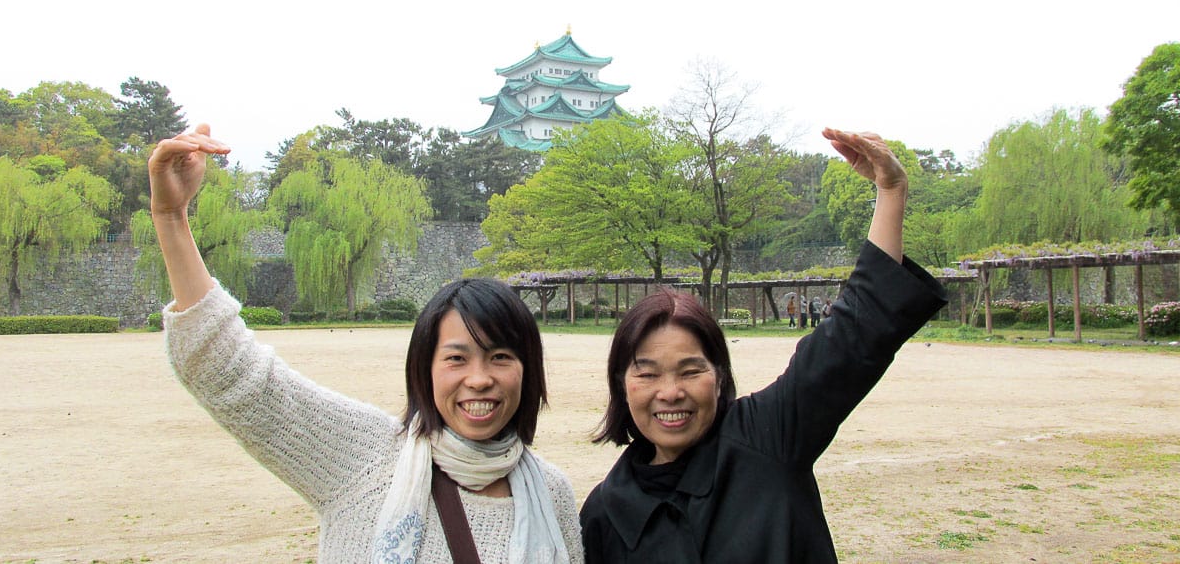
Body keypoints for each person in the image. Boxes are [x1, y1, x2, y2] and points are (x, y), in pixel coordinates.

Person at [149, 125, 582, 562]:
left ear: (528, 371)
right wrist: (171, 217)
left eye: (501, 357)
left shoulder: (551, 493)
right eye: (456, 358)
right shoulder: (362, 455)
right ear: (424, 369)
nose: (479, 379)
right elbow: (233, 373)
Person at [579, 128, 947, 562]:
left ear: (719, 377)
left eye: (691, 370)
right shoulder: (604, 514)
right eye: (647, 372)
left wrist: (890, 192)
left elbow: (853, 335)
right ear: (622, 385)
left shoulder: (766, 437)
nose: (670, 391)